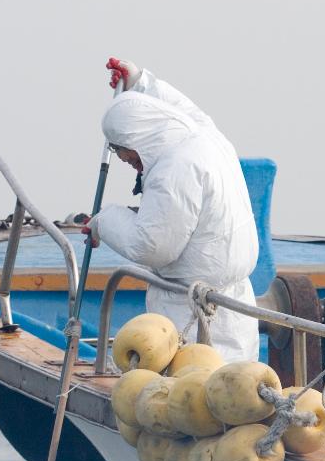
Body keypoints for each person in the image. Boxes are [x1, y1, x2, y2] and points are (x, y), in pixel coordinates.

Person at [83, 57, 260, 363]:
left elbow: (151, 246)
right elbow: (180, 107)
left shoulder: (172, 170)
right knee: (238, 392)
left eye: (122, 150)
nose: (125, 160)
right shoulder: (203, 135)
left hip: (186, 314)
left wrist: (104, 220)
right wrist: (140, 81)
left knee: (189, 397)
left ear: (137, 139)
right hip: (236, 309)